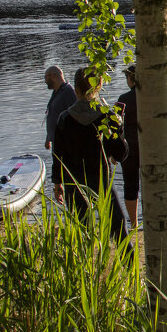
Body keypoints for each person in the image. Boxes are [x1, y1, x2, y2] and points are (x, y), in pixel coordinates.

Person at [52, 67, 130, 240]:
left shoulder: (64, 118)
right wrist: (120, 127)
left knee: (81, 230)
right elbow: (121, 154)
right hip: (101, 180)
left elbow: (58, 156)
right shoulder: (107, 117)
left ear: (76, 89)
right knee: (118, 227)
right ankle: (127, 264)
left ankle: (83, 264)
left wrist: (57, 182)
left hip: (74, 181)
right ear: (99, 86)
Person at [116, 65, 140, 228]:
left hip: (129, 149)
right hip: (150, 147)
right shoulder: (153, 97)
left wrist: (113, 152)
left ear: (131, 79)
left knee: (130, 185)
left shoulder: (123, 99)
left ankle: (134, 223)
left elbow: (115, 127)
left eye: (127, 78)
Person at [44, 65, 77, 150]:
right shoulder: (56, 92)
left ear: (54, 76)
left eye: (46, 77)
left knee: (61, 163)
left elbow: (75, 115)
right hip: (56, 140)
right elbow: (52, 114)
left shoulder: (68, 91)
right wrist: (48, 137)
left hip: (65, 141)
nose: (45, 81)